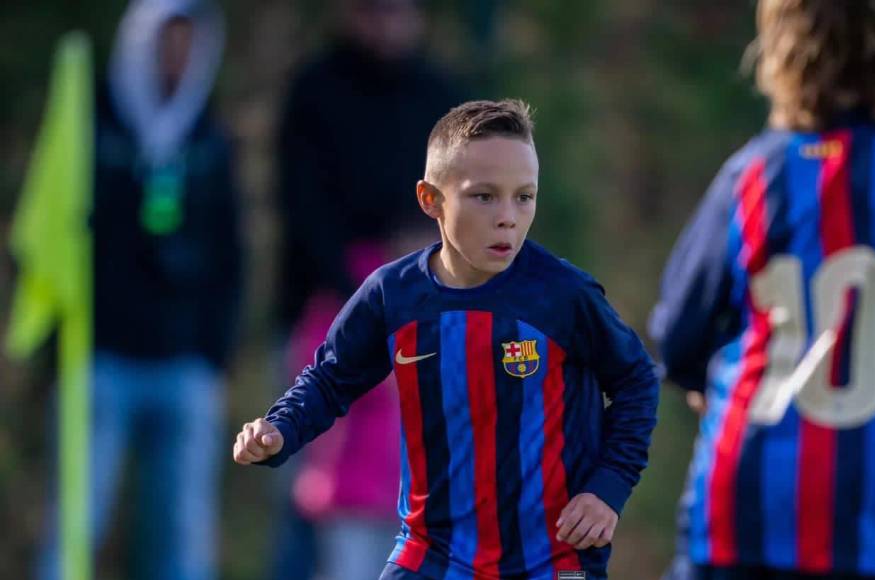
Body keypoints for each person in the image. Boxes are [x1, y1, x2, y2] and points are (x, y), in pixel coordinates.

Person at [649, 1, 875, 579]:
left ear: (776, 48)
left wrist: (696, 379)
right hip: (869, 520)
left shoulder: (749, 172)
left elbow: (675, 331)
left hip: (737, 508)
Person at [236, 99, 660, 579]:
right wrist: (279, 428)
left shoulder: (564, 296)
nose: (508, 217)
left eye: (524, 196)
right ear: (431, 200)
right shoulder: (393, 295)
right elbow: (331, 378)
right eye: (484, 196)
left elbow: (636, 381)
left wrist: (607, 488)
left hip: (550, 558)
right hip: (432, 556)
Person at [33, 1, 241, 579]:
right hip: (98, 361)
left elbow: (230, 253)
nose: (177, 55)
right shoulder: (91, 119)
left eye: (188, 41)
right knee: (75, 528)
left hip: (183, 365)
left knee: (182, 539)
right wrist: (57, 353)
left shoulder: (208, 134)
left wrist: (213, 353)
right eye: (166, 39)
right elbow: (47, 234)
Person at [272, 1, 463, 577]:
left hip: (427, 322)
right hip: (323, 319)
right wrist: (367, 289)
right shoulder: (316, 90)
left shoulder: (443, 100)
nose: (386, 22)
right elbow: (303, 208)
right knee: (310, 501)